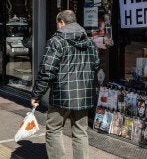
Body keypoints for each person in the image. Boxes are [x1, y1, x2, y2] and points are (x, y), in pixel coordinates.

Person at [30, 10, 100, 159]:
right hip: (83, 95)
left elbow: (47, 70)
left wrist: (37, 94)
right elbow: (95, 64)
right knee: (81, 132)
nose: (57, 27)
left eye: (57, 23)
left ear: (61, 22)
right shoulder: (89, 42)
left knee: (54, 129)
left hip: (62, 95)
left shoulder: (57, 41)